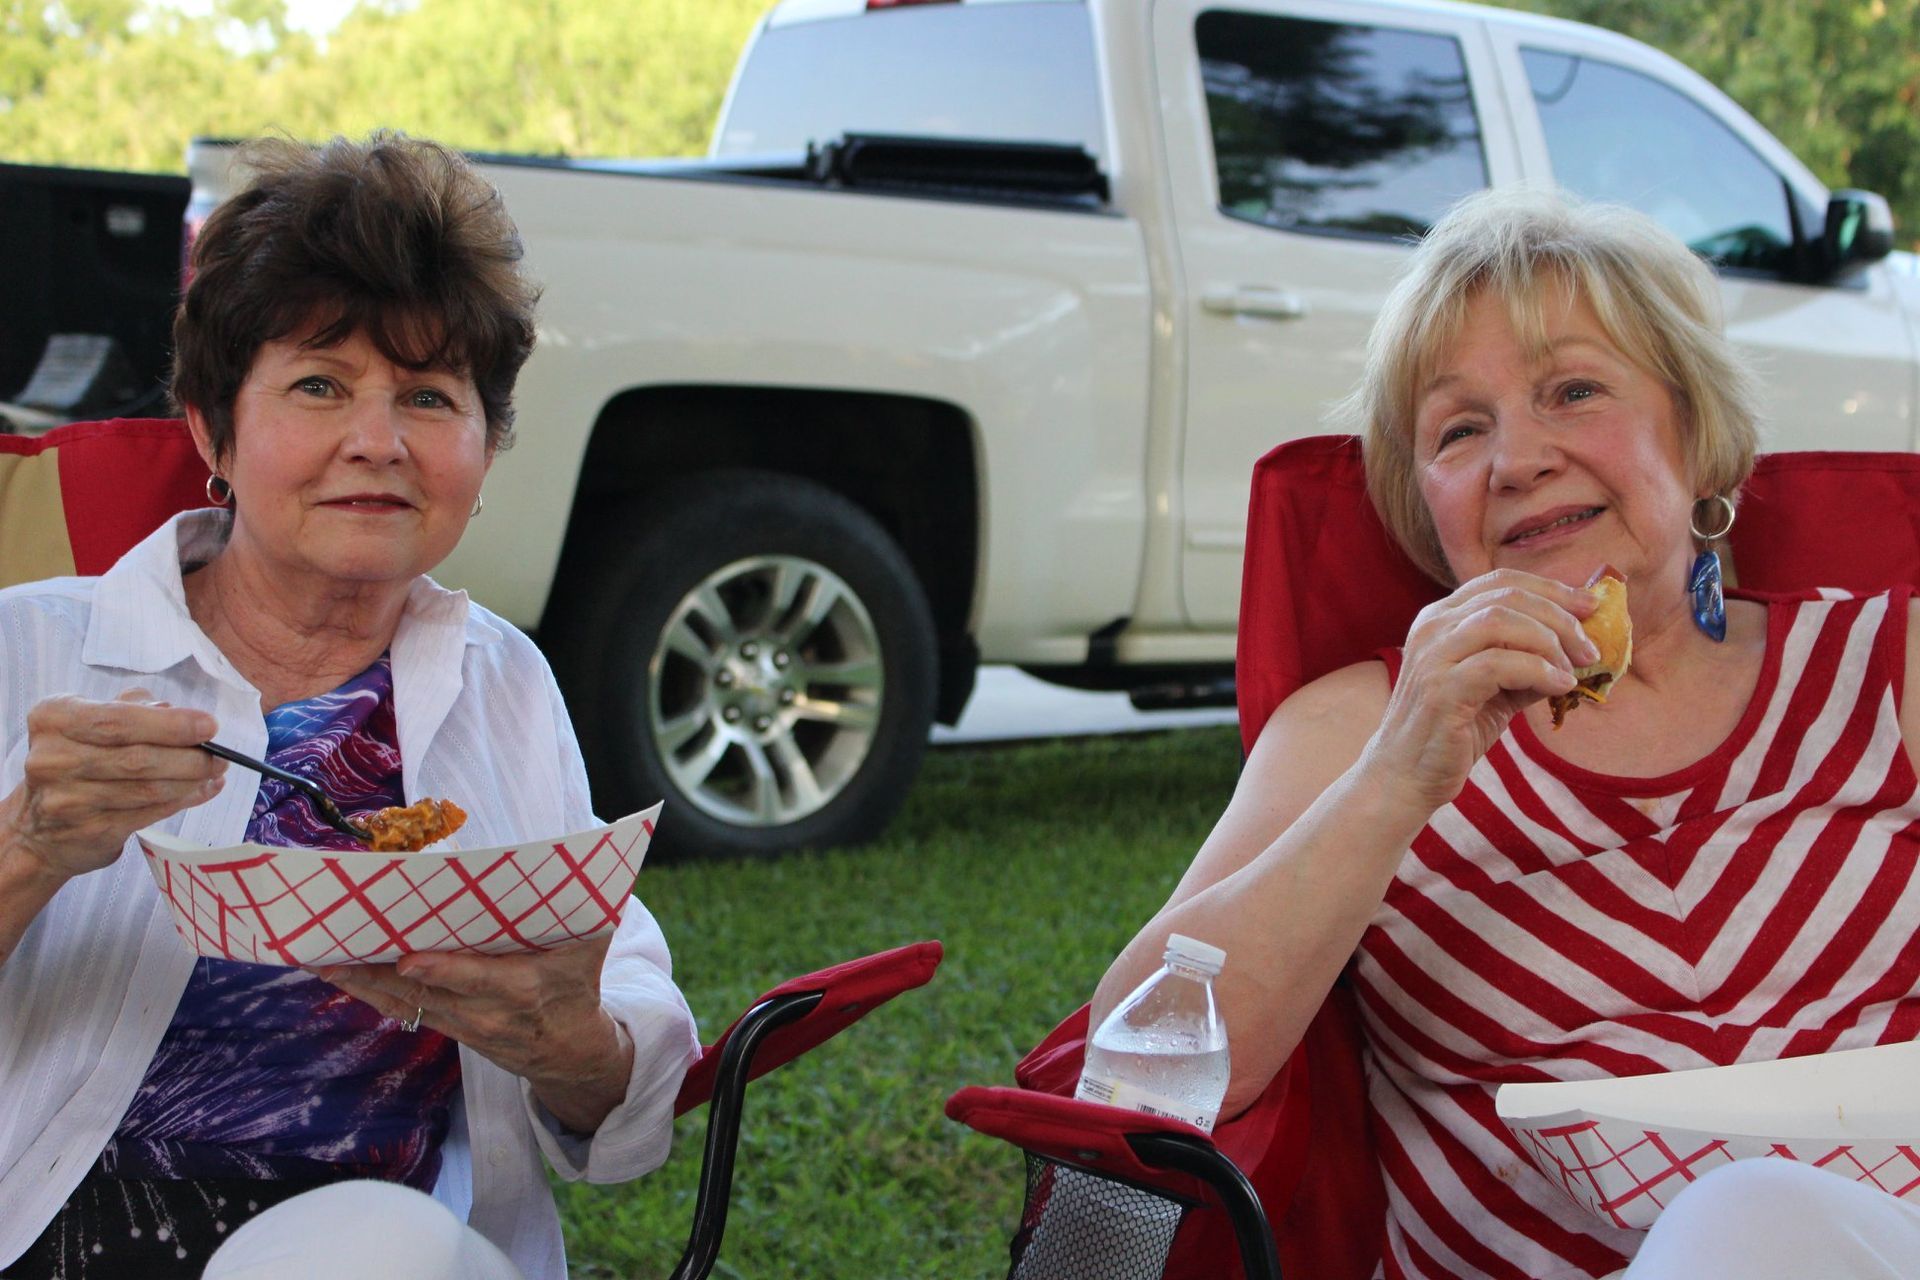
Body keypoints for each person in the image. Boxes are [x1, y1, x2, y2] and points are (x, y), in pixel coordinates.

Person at [1089, 186, 1920, 1279]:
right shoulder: (1359, 725)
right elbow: (1134, 1064)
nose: (1515, 459)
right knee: (1751, 1219)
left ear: (1700, 434)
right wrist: (1399, 777)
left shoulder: (1892, 668)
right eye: (1459, 429)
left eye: (1573, 390)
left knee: (1768, 1218)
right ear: (1425, 503)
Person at [0, 133, 700, 1280]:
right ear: (210, 430)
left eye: (429, 395)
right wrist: (26, 846)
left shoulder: (502, 681)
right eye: (320, 384)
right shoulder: (27, 648)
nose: (377, 443)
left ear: (481, 449)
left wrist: (570, 1043)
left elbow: (620, 1081)